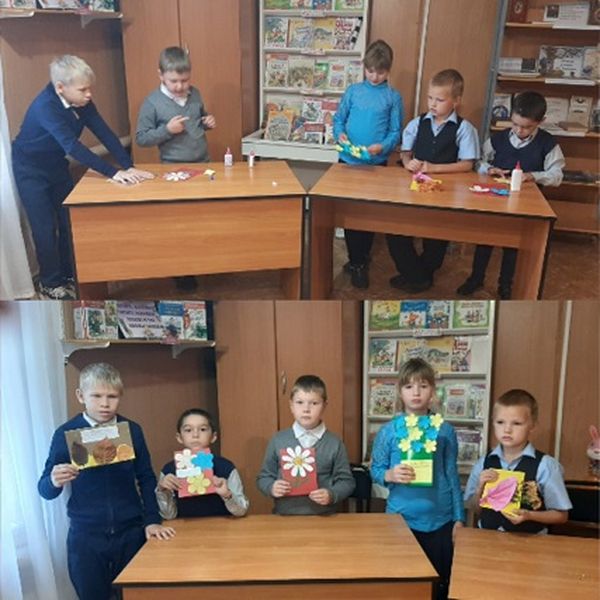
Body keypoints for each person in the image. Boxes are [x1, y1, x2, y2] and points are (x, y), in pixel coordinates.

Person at [12, 55, 154, 300]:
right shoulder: (45, 106)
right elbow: (73, 147)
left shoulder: (82, 102)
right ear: (61, 88)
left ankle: (68, 274)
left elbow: (104, 132)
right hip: (30, 170)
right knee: (44, 227)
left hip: (56, 165)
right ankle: (50, 282)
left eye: (89, 88)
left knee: (68, 220)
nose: (89, 94)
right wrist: (113, 172)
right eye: (83, 89)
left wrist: (128, 166)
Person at [37, 363, 175, 600]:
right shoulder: (66, 434)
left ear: (120, 396)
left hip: (130, 532)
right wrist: (54, 480)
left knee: (135, 595)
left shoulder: (131, 430)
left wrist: (152, 520)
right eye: (96, 396)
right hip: (86, 537)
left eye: (112, 396)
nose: (105, 403)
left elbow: (145, 476)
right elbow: (45, 490)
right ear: (81, 396)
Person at [371, 358, 464, 600]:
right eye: (409, 386)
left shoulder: (445, 430)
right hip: (400, 521)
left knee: (439, 584)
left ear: (432, 390)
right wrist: (389, 474)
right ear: (400, 391)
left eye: (423, 386)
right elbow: (376, 469)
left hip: (440, 520)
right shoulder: (388, 431)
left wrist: (459, 518)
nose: (416, 392)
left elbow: (451, 474)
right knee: (403, 584)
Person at [457, 91, 565, 299]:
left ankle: (505, 284)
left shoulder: (548, 143)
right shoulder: (499, 139)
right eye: (515, 124)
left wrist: (533, 176)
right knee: (485, 240)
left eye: (526, 127)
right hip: (495, 200)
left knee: (513, 246)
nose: (519, 130)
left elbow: (557, 175)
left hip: (525, 204)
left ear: (540, 121)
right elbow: (479, 161)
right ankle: (476, 278)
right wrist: (489, 169)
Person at [387, 68, 480, 293]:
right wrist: (407, 162)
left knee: (437, 238)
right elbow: (405, 152)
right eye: (430, 98)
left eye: (440, 100)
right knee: (395, 230)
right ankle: (417, 276)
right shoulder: (418, 123)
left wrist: (435, 168)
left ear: (456, 101)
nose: (432, 104)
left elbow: (467, 164)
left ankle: (420, 275)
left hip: (445, 193)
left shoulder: (464, 129)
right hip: (415, 190)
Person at [136, 46, 217, 292]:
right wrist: (167, 131)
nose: (180, 86)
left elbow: (198, 120)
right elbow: (141, 138)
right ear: (160, 75)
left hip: (203, 166)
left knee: (204, 220)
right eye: (174, 81)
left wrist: (207, 122)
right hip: (174, 171)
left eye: (185, 80)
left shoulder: (196, 94)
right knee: (181, 225)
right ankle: (182, 272)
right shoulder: (152, 103)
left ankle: (205, 262)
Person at [332, 39, 403, 289]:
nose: (374, 76)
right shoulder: (353, 91)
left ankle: (360, 259)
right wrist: (340, 135)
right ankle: (357, 260)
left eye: (380, 72)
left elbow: (395, 131)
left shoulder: (393, 97)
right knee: (349, 214)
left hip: (375, 164)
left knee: (367, 215)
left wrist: (382, 147)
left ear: (388, 70)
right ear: (364, 67)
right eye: (370, 71)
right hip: (348, 160)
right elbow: (338, 119)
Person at [464, 388, 571, 533]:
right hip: (488, 538)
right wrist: (479, 489)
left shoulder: (546, 466)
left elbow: (561, 515)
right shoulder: (483, 462)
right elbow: (474, 509)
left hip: (530, 541)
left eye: (517, 423)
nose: (507, 429)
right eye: (500, 422)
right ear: (492, 423)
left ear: (532, 426)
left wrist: (529, 515)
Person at [256, 374, 355, 515]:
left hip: (323, 517)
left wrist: (331, 494)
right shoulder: (278, 440)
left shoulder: (334, 443)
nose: (306, 409)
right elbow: (263, 477)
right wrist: (271, 487)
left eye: (314, 403)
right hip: (284, 516)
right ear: (291, 405)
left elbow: (347, 482)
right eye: (299, 402)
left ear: (324, 406)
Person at [156, 408, 249, 518]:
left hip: (223, 525)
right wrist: (162, 490)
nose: (195, 435)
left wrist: (227, 495)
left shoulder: (226, 467)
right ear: (179, 437)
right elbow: (168, 516)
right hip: (184, 526)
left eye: (203, 429)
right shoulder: (169, 470)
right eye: (188, 430)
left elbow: (242, 511)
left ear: (213, 436)